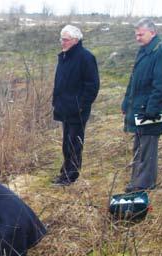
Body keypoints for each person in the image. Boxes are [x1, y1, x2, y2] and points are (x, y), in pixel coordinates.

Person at [121, 18, 162, 193]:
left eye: (141, 34)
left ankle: (144, 185)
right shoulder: (144, 51)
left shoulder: (161, 53)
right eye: (136, 34)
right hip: (138, 110)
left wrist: (151, 111)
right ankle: (136, 180)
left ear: (153, 32)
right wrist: (126, 102)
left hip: (150, 111)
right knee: (139, 147)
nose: (137, 37)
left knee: (148, 148)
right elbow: (134, 80)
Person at [52, 24, 100, 186]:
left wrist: (80, 105)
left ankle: (70, 177)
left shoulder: (86, 57)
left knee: (74, 143)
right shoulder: (65, 56)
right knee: (67, 143)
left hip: (77, 110)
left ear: (75, 40)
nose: (62, 42)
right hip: (64, 108)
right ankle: (65, 172)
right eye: (61, 39)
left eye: (65, 40)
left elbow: (92, 86)